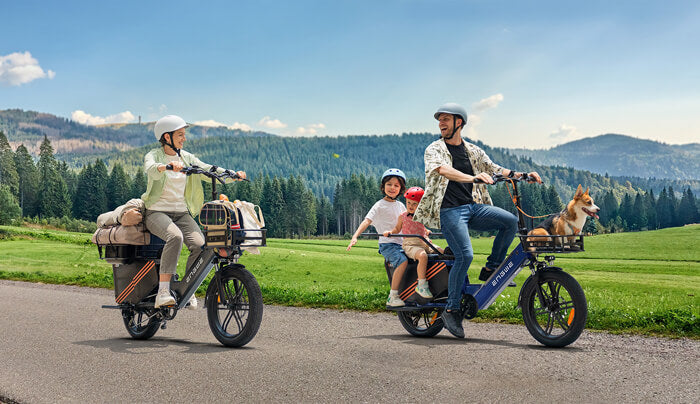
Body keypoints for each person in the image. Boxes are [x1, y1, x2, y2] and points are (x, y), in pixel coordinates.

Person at [413, 103, 542, 338]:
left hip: (472, 207)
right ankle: (451, 309)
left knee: (510, 222)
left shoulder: (473, 150)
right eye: (439, 120)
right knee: (465, 254)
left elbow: (494, 168)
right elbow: (443, 170)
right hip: (449, 210)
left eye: (446, 119)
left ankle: (492, 267)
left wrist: (523, 175)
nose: (441, 123)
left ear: (459, 122)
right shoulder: (434, 148)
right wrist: (472, 178)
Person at [142, 115, 246, 309]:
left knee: (200, 245)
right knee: (175, 237)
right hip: (156, 212)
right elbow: (150, 169)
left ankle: (186, 288)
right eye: (180, 135)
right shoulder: (154, 156)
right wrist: (166, 166)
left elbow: (208, 169)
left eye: (184, 134)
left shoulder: (187, 158)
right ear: (167, 137)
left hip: (181, 213)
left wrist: (232, 174)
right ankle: (163, 292)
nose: (184, 138)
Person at [346, 169, 408, 307]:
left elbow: (407, 224)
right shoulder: (379, 205)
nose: (392, 188)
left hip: (403, 243)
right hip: (388, 245)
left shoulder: (401, 206)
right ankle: (393, 295)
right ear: (383, 186)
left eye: (396, 185)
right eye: (389, 184)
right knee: (402, 261)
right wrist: (355, 236)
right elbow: (367, 221)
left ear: (401, 189)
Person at [383, 186, 444, 299]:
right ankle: (421, 285)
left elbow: (421, 228)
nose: (410, 206)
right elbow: (397, 229)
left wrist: (426, 231)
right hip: (410, 244)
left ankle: (444, 280)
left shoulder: (422, 216)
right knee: (422, 256)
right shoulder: (403, 217)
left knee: (442, 252)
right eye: (408, 203)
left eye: (414, 204)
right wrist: (390, 232)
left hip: (425, 242)